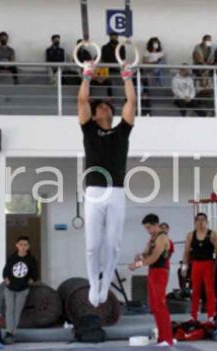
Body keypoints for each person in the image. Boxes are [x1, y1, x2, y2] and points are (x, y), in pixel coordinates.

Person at [78, 57, 136, 307]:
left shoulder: (122, 131)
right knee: (93, 246)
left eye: (108, 107)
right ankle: (94, 284)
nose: (105, 109)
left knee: (112, 246)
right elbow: (82, 100)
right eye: (100, 107)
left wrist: (127, 75)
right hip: (94, 191)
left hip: (116, 192)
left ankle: (104, 285)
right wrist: (87, 74)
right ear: (93, 114)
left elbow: (131, 101)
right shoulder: (89, 130)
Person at [128, 214, 174, 346]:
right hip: (152, 272)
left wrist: (136, 265)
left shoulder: (162, 238)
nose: (147, 231)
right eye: (146, 228)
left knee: (160, 305)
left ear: (155, 225)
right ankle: (161, 337)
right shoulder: (152, 238)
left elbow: (154, 258)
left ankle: (168, 339)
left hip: (160, 272)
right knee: (154, 306)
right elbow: (146, 253)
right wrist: (139, 256)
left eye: (149, 227)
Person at [182, 213, 217, 322]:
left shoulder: (212, 234)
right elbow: (186, 251)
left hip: (208, 264)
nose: (201, 222)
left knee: (210, 290)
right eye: (198, 220)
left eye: (203, 220)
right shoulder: (191, 235)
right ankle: (193, 315)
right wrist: (184, 265)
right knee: (195, 290)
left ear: (207, 221)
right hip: (196, 264)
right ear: (195, 222)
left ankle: (210, 315)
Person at [1, 235, 39, 344]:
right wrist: (6, 278)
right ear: (17, 245)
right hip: (10, 288)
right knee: (9, 309)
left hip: (22, 289)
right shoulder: (12, 257)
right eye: (21, 245)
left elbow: (35, 273)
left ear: (28, 247)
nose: (23, 247)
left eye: (25, 245)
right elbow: (6, 270)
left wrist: (31, 280)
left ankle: (13, 332)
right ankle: (9, 331)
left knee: (17, 310)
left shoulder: (31, 260)